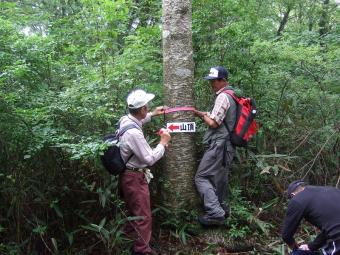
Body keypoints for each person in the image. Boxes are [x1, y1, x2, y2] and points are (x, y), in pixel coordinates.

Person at [118, 89, 171, 255]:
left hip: (127, 175)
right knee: (143, 215)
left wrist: (153, 114)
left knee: (133, 211)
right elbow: (149, 159)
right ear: (142, 109)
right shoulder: (134, 134)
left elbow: (138, 121)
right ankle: (142, 250)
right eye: (147, 107)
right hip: (134, 177)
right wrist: (163, 143)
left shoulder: (125, 119)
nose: (148, 108)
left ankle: (126, 240)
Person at [193, 66, 237, 226]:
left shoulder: (223, 97)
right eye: (211, 80)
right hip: (228, 145)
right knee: (220, 178)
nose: (212, 84)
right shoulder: (233, 95)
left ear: (223, 80)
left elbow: (213, 122)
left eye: (214, 80)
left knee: (201, 177)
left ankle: (215, 213)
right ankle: (224, 210)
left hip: (220, 145)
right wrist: (202, 114)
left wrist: (203, 115)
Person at [282, 180, 340, 255]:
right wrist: (311, 246)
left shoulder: (297, 200)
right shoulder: (332, 190)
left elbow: (286, 235)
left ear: (293, 195)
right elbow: (332, 226)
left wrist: (296, 249)